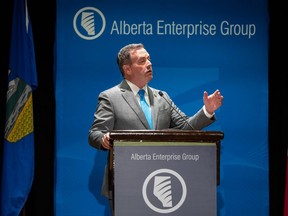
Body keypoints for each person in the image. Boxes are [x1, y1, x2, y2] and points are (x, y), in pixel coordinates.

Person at [88, 43, 224, 215]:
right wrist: (104, 139)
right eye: (142, 61)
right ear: (127, 69)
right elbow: (95, 133)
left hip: (164, 177)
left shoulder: (162, 96)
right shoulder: (110, 97)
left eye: (149, 59)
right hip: (126, 181)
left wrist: (207, 110)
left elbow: (185, 127)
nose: (149, 63)